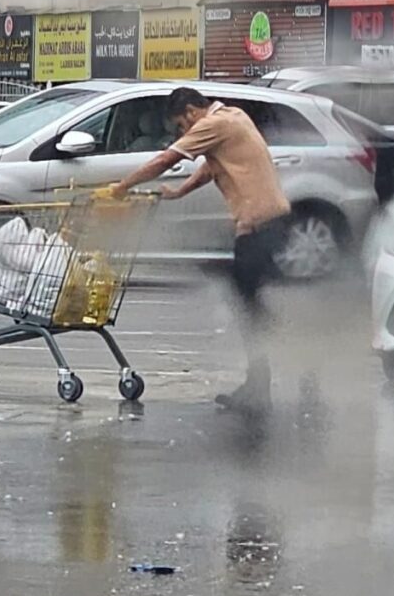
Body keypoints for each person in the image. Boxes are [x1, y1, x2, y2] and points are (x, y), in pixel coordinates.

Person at [111, 87, 291, 412]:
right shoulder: (234, 116)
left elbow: (166, 159)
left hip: (257, 228)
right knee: (252, 304)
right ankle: (265, 381)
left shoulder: (212, 124)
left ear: (191, 112)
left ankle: (275, 378)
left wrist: (122, 187)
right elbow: (213, 167)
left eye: (182, 125)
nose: (183, 132)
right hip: (270, 224)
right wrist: (180, 191)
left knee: (251, 310)